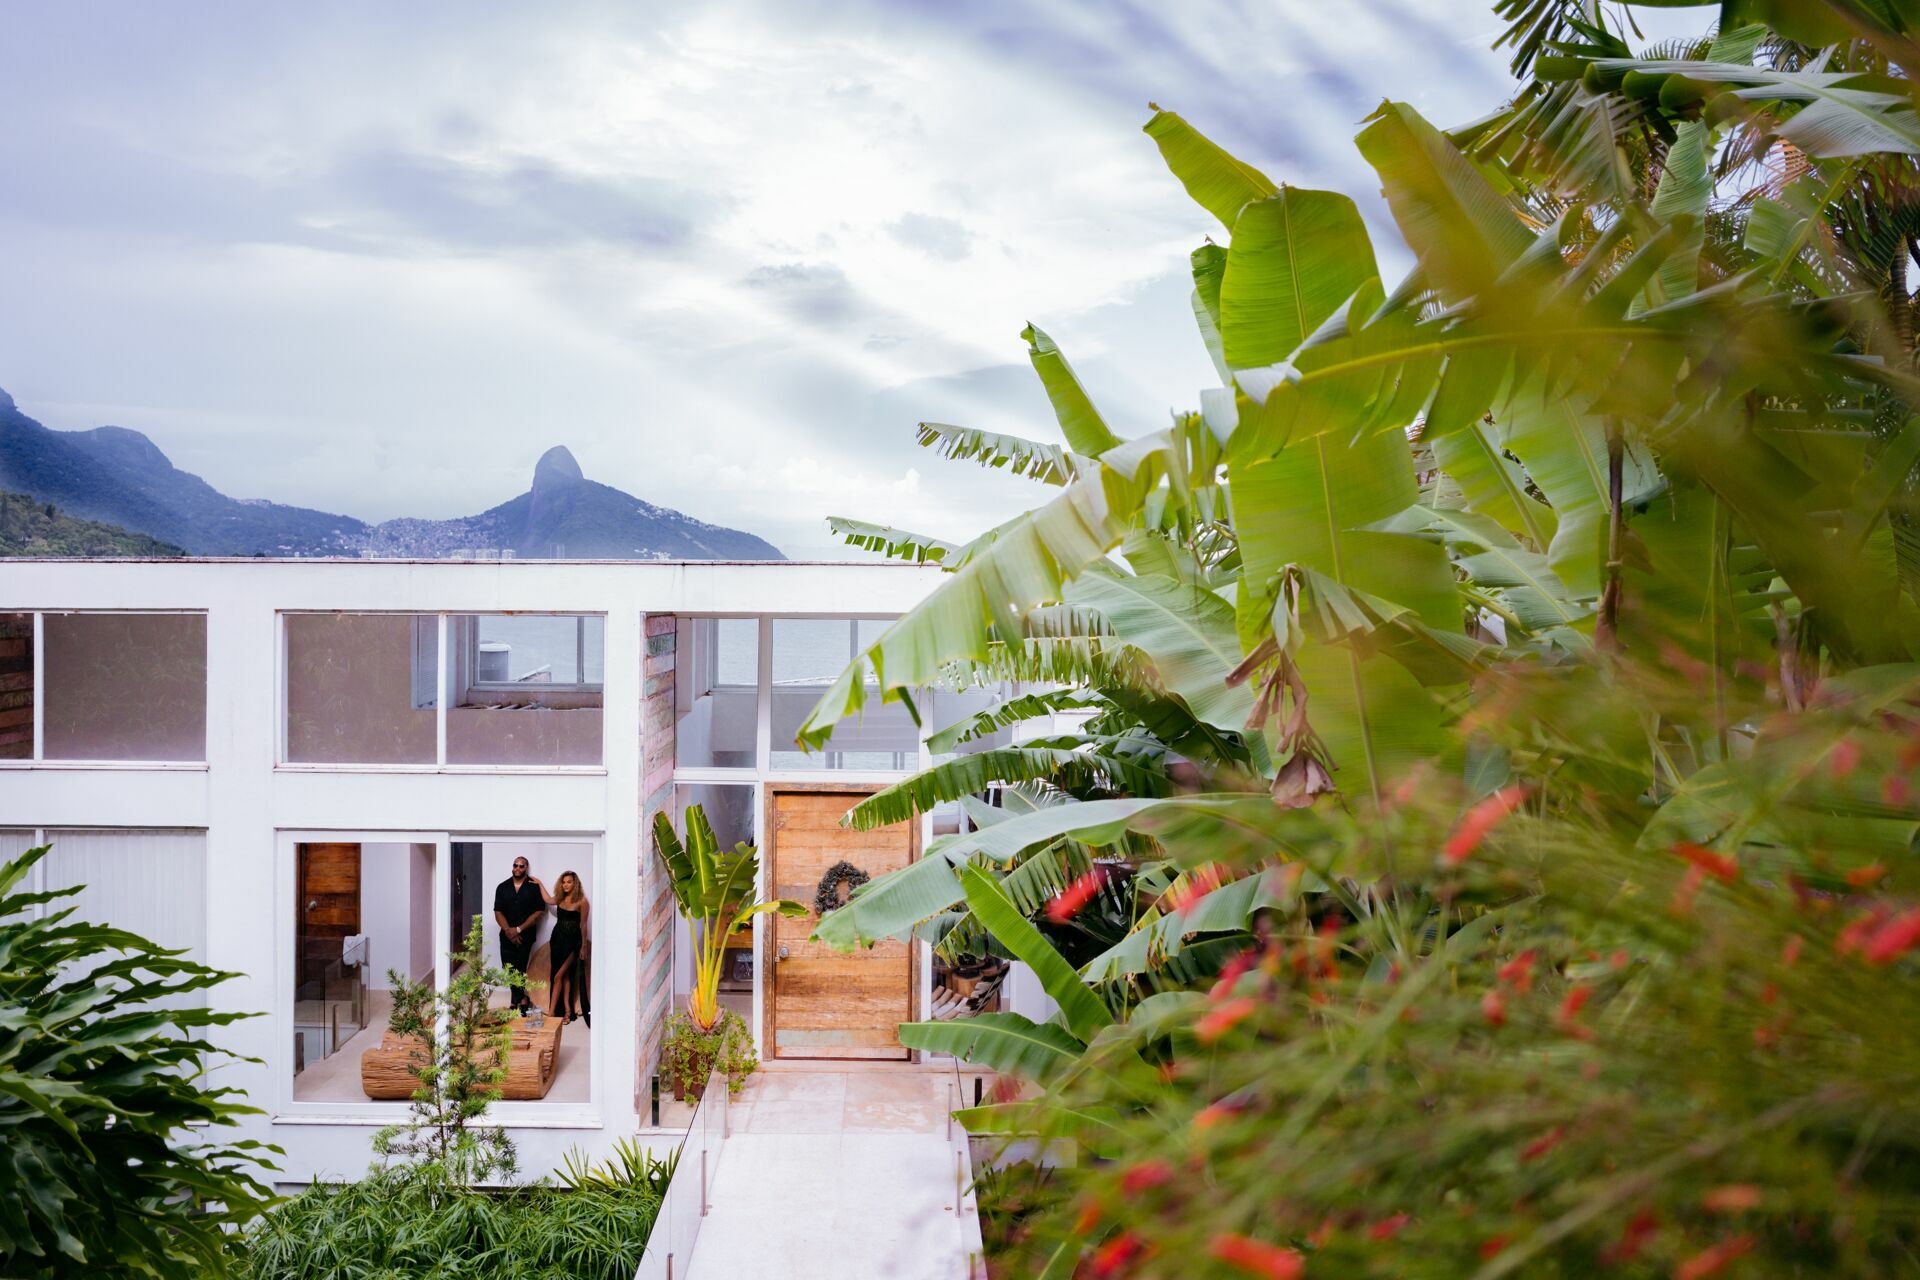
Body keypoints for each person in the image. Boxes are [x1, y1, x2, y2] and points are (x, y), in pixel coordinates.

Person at [536, 869, 591, 1026]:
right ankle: (567, 1012)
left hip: (572, 943)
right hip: (557, 941)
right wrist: (539, 883)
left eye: (569, 882)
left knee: (558, 976)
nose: (566, 885)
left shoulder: (582, 901)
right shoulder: (560, 898)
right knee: (564, 977)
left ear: (575, 884)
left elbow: (583, 925)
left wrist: (583, 947)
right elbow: (547, 899)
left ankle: (551, 1013)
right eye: (564, 882)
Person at [492, 855, 545, 1014]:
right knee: (509, 968)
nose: (518, 868)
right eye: (515, 865)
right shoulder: (502, 887)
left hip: (525, 936)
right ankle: (521, 998)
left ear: (526, 868)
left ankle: (516, 1000)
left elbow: (539, 912)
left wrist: (518, 930)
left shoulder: (533, 887)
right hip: (506, 935)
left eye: (521, 866)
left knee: (520, 967)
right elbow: (498, 912)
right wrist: (509, 931)